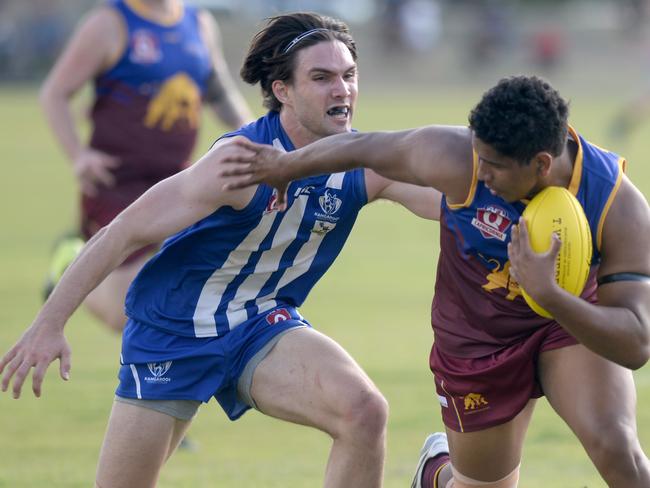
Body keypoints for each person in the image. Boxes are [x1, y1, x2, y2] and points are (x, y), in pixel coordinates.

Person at [1, 12, 441, 487]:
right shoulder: (237, 163)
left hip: (259, 324)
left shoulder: (364, 163)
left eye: (349, 75)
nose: (342, 90)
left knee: (364, 410)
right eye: (321, 77)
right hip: (173, 331)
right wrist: (49, 324)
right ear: (282, 91)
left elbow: (451, 201)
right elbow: (122, 231)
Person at [218, 75, 650, 487]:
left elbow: (635, 344)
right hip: (477, 338)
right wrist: (286, 167)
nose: (482, 175)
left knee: (618, 450)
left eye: (495, 167)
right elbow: (365, 147)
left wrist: (551, 296)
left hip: (566, 322)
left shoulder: (617, 202)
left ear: (540, 164)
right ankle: (436, 474)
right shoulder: (457, 156)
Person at [39, 0, 254, 333]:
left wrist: (255, 138)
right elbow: (54, 93)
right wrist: (79, 156)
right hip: (116, 180)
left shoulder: (199, 23)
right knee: (119, 314)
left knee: (190, 284)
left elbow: (218, 90)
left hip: (179, 179)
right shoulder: (110, 22)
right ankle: (69, 263)